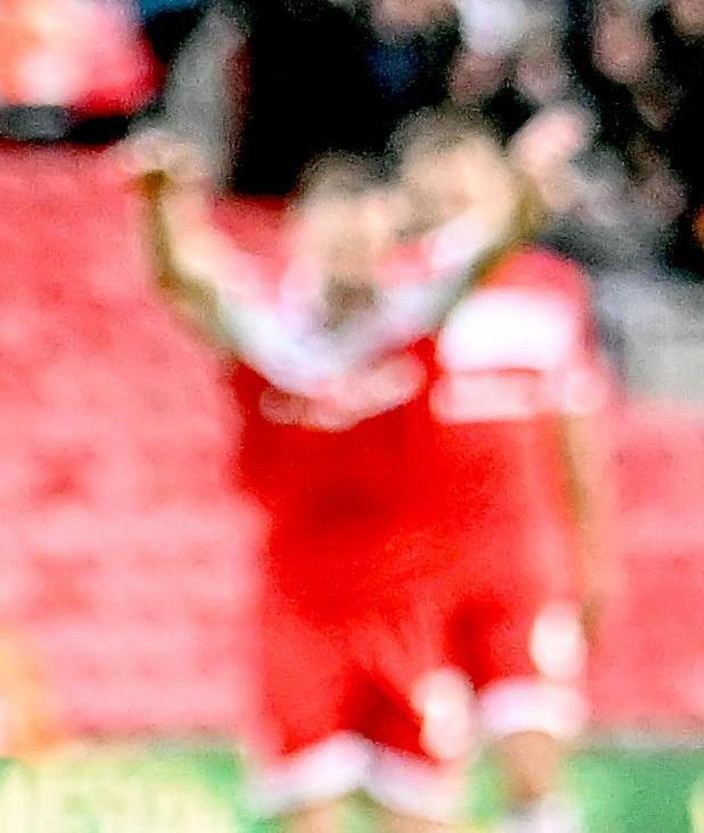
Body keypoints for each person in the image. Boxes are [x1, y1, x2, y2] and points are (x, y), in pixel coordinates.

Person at [130, 114, 581, 832]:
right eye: (335, 235)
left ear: (387, 241)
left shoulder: (414, 319)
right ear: (300, 234)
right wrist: (159, 205)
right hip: (303, 610)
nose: (352, 251)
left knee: (424, 818)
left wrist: (525, 186)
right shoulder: (267, 334)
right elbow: (182, 275)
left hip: (410, 602)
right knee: (312, 818)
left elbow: (496, 242)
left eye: (366, 237)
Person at [395, 111, 616, 833]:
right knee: (425, 792)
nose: (455, 197)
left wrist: (595, 557)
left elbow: (577, 434)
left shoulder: (552, 290)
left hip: (521, 565)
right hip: (416, 572)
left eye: (470, 181)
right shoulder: (394, 292)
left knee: (532, 766)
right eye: (439, 186)